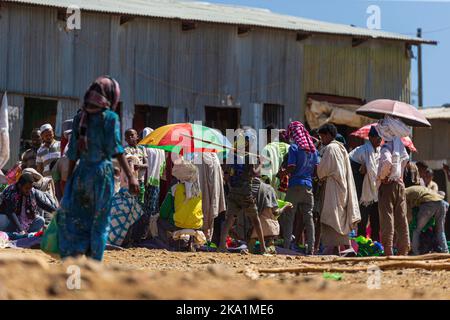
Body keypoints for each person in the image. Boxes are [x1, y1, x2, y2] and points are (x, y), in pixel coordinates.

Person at [57, 76, 139, 262]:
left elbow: (73, 153)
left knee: (79, 223)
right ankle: (93, 269)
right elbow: (117, 149)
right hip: (102, 176)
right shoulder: (110, 118)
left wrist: (69, 180)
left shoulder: (80, 117)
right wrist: (131, 176)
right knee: (100, 224)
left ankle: (74, 277)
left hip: (81, 175)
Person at [219, 129, 268, 254]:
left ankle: (221, 246)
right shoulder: (249, 156)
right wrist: (261, 163)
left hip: (233, 191)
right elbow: (254, 173)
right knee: (255, 219)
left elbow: (226, 174)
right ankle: (263, 249)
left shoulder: (232, 155)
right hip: (246, 192)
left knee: (229, 219)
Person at [317, 123, 361, 255]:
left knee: (332, 218)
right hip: (342, 188)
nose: (321, 140)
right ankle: (338, 249)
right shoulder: (342, 148)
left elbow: (322, 171)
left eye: (322, 137)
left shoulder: (331, 148)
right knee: (339, 219)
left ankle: (333, 248)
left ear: (328, 135)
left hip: (333, 189)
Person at [279, 121, 319, 254]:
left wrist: (281, 173)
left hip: (295, 185)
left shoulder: (294, 148)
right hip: (308, 188)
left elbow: (291, 167)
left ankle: (286, 246)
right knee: (309, 218)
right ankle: (311, 249)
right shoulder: (313, 150)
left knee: (289, 216)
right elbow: (316, 170)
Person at [376, 116, 411, 256]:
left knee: (387, 218)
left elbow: (387, 163)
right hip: (400, 185)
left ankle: (388, 252)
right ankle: (403, 251)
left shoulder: (386, 146)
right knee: (401, 219)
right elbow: (404, 162)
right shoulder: (401, 146)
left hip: (388, 185)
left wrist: (382, 177)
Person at [349, 125, 382, 241]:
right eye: (378, 138)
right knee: (362, 222)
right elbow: (350, 166)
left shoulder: (378, 152)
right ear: (371, 138)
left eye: (381, 138)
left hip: (374, 192)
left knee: (375, 221)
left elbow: (375, 170)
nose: (380, 140)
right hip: (363, 192)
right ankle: (361, 246)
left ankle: (376, 245)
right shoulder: (362, 151)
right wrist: (360, 168)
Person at [405, 185, 448, 255]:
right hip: (441, 202)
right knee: (440, 231)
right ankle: (446, 252)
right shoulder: (413, 189)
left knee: (416, 230)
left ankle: (415, 253)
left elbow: (408, 215)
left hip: (429, 204)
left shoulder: (403, 193)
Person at [194, 151, 226, 242]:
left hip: (202, 194)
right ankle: (206, 238)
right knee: (210, 206)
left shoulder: (198, 156)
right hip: (208, 193)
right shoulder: (214, 157)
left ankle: (203, 238)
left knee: (204, 205)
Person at [124, 128, 148, 202]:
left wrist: (139, 166)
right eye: (128, 136)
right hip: (130, 181)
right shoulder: (125, 150)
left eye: (132, 135)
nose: (130, 137)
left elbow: (147, 164)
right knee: (130, 202)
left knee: (140, 203)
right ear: (125, 139)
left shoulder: (142, 149)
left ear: (137, 137)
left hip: (141, 180)